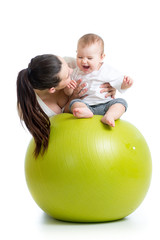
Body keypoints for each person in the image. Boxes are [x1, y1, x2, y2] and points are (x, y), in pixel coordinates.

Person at [17, 54, 116, 157]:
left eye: (66, 65)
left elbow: (101, 73)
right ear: (52, 89)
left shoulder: (68, 65)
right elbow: (59, 131)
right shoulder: (31, 108)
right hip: (70, 147)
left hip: (99, 132)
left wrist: (111, 87)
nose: (71, 70)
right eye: (67, 76)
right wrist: (73, 98)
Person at [65, 33, 133, 127]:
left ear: (101, 57)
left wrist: (126, 84)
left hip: (106, 104)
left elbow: (119, 84)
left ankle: (110, 115)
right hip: (86, 105)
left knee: (121, 102)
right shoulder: (75, 72)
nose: (84, 61)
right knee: (74, 103)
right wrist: (69, 88)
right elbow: (68, 93)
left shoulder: (107, 70)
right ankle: (86, 113)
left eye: (89, 58)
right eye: (80, 57)